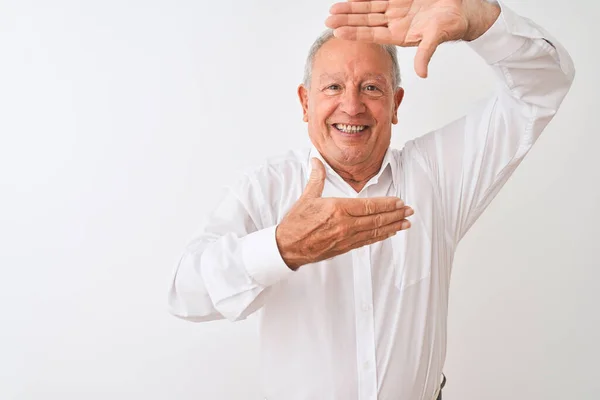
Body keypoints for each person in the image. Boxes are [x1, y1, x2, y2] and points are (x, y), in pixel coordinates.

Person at [168, 0, 575, 399]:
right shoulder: (266, 187)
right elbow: (184, 293)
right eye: (333, 87)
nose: (351, 105)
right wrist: (281, 247)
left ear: (395, 104)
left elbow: (542, 88)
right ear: (305, 102)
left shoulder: (436, 176)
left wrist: (476, 18)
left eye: (370, 88)